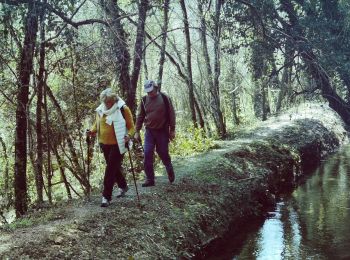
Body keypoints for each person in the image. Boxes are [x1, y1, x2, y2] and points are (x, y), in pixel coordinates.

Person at [88, 88, 135, 207]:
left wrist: (129, 136)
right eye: (105, 102)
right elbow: (97, 124)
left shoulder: (123, 109)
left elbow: (131, 127)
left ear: (114, 99)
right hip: (104, 144)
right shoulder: (100, 110)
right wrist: (92, 131)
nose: (107, 104)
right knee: (113, 168)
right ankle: (123, 186)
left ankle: (106, 197)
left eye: (109, 101)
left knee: (109, 170)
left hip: (118, 144)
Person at [134, 80, 176, 187]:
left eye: (151, 91)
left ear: (156, 88)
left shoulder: (164, 98)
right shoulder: (144, 100)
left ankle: (169, 167)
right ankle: (150, 179)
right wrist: (137, 131)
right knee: (147, 153)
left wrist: (172, 130)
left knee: (162, 152)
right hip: (149, 131)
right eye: (147, 92)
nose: (149, 94)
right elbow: (140, 116)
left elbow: (171, 114)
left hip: (163, 130)